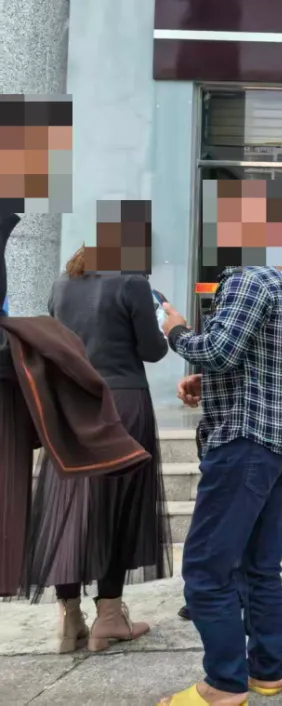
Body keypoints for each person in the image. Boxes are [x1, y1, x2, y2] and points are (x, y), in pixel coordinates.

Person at [159, 262, 282, 705]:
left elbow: (220, 349)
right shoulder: (271, 281)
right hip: (276, 442)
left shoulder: (246, 279)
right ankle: (266, 671)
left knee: (206, 569)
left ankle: (224, 684)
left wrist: (176, 331)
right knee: (259, 566)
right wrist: (210, 382)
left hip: (245, 441)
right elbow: (255, 362)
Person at [175, 256, 282, 620]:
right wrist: (207, 381)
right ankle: (229, 589)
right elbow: (245, 352)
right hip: (250, 417)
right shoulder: (251, 281)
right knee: (245, 518)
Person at [32, 246, 171, 653]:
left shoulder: (61, 285)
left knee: (69, 508)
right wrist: (163, 322)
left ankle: (68, 617)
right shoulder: (132, 283)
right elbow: (152, 350)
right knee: (118, 506)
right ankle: (109, 616)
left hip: (72, 403)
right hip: (122, 403)